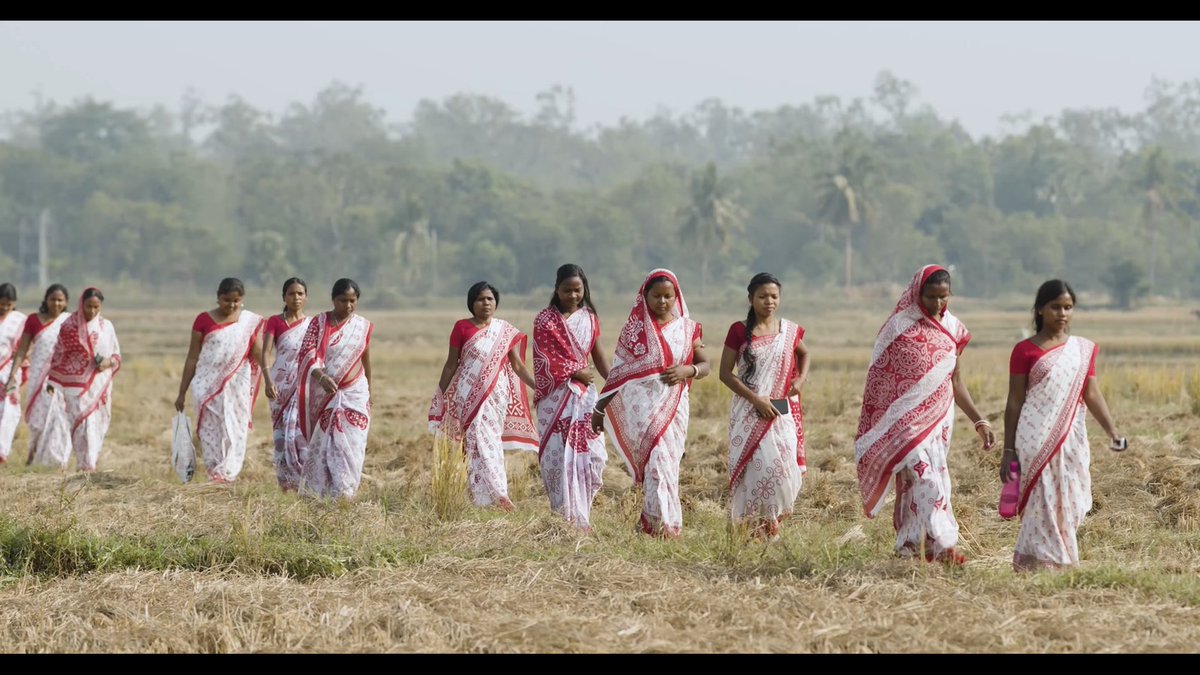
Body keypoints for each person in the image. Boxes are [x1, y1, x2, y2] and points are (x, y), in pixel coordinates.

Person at [854, 265, 994, 565]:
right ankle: (942, 545)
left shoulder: (953, 329)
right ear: (918, 293)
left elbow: (955, 381)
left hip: (939, 420)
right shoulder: (898, 327)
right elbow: (880, 379)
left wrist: (979, 419)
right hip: (903, 424)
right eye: (931, 297)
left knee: (928, 483)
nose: (937, 304)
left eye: (944, 297)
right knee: (926, 480)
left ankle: (910, 546)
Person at [1002, 279, 1124, 572]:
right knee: (1042, 503)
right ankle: (1055, 565)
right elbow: (1015, 402)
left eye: (1068, 307)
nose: (1062, 313)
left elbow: (1091, 393)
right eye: (1055, 307)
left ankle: (1039, 561)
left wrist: (1112, 431)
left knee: (1070, 499)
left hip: (1071, 439)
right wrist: (1008, 449)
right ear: (1041, 309)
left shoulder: (1082, 350)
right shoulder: (1024, 351)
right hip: (1034, 438)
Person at [590, 269, 708, 538]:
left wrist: (687, 371)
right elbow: (618, 373)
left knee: (665, 465)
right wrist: (599, 409)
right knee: (655, 465)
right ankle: (659, 524)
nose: (663, 302)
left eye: (669, 296)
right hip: (641, 411)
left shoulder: (688, 328)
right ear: (644, 296)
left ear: (677, 297)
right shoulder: (634, 331)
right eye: (656, 296)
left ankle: (662, 525)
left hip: (674, 408)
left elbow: (705, 365)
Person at [430, 281, 538, 511]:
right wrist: (440, 395)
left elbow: (517, 367)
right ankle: (488, 496)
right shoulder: (461, 328)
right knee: (475, 443)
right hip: (467, 396)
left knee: (491, 443)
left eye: (490, 299)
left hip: (496, 395)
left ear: (496, 302)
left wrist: (537, 386)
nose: (486, 303)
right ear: (472, 303)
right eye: (480, 299)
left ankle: (494, 494)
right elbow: (451, 365)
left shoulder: (503, 330)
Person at [719, 273, 809, 539]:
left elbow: (804, 354)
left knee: (784, 472)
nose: (769, 301)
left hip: (781, 412)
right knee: (756, 472)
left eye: (774, 296)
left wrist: (800, 379)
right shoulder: (738, 331)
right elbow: (725, 374)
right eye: (762, 296)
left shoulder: (788, 330)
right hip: (749, 412)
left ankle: (770, 524)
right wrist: (755, 399)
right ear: (750, 299)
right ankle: (755, 531)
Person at [532, 264, 611, 531]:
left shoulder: (590, 318)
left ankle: (582, 513)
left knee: (594, 455)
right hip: (555, 398)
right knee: (557, 456)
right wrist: (574, 371)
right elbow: (544, 361)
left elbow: (598, 355)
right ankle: (563, 518)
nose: (573, 295)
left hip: (585, 397)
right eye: (567, 290)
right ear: (557, 290)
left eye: (578, 290)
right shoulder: (544, 321)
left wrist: (613, 383)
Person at [174, 277, 265, 484]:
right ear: (218, 297)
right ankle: (214, 471)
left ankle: (227, 473)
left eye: (236, 300)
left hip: (237, 385)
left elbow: (259, 354)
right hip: (205, 387)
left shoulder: (248, 322)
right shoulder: (203, 320)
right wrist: (181, 392)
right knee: (210, 430)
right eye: (226, 300)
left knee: (235, 426)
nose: (231, 305)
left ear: (242, 299)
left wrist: (271, 378)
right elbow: (192, 358)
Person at [297, 278, 373, 500]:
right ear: (333, 300)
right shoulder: (319, 323)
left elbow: (365, 359)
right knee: (325, 445)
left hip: (356, 393)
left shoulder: (363, 326)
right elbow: (307, 353)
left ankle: (344, 495)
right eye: (343, 301)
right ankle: (319, 495)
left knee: (353, 445)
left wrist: (371, 392)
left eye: (352, 301)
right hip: (326, 395)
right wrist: (320, 376)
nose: (348, 306)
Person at [44, 287, 122, 472]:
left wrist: (107, 362)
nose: (92, 311)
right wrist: (53, 381)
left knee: (98, 424)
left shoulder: (106, 327)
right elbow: (59, 354)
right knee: (82, 427)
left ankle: (90, 463)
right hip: (74, 388)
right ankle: (85, 466)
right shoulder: (69, 326)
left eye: (96, 307)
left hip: (100, 385)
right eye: (89, 306)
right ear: (81, 304)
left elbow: (117, 356)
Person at [5, 284, 69, 466]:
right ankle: (32, 457)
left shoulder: (69, 321)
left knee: (59, 418)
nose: (56, 303)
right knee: (37, 420)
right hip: (38, 377)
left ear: (66, 303)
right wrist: (12, 374)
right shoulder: (33, 320)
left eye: (60, 300)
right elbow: (22, 349)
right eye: (52, 299)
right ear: (46, 300)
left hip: (59, 378)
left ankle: (57, 461)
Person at [261, 277, 312, 491]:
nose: (296, 298)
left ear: (306, 297)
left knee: (301, 436)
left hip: (304, 389)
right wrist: (267, 380)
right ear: (284, 297)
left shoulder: (312, 324)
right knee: (282, 437)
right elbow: (265, 353)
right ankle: (286, 484)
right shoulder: (275, 321)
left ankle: (305, 482)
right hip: (279, 389)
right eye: (291, 294)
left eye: (300, 294)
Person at [0, 283, 27, 463]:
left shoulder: (20, 320)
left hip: (10, 370)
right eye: (1, 303)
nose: (4, 308)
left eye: (8, 305)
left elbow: (26, 347)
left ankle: (2, 452)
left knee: (8, 410)